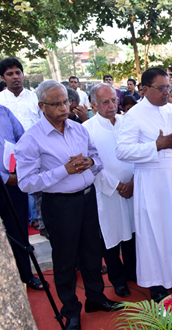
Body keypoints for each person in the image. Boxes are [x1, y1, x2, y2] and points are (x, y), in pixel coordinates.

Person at [15, 80, 121, 330]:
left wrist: (89, 164)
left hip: (87, 198)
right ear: (42, 106)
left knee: (93, 253)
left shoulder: (78, 129)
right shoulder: (31, 139)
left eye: (66, 101)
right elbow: (26, 183)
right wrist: (63, 171)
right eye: (56, 103)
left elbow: (97, 160)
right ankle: (70, 310)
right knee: (65, 260)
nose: (64, 107)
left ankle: (96, 298)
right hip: (59, 204)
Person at [116, 68, 172, 302]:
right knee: (157, 232)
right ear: (144, 89)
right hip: (154, 183)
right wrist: (156, 146)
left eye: (168, 87)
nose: (167, 92)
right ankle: (157, 284)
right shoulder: (134, 115)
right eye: (161, 88)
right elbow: (122, 151)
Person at [84, 83, 137, 298]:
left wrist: (133, 182)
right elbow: (91, 163)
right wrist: (116, 185)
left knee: (134, 233)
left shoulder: (128, 122)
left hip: (134, 187)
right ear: (93, 104)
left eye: (114, 100)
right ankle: (117, 279)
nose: (111, 105)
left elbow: (139, 152)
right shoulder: (87, 128)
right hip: (107, 191)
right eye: (105, 102)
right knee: (112, 236)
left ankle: (134, 271)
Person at [0, 105, 46, 291]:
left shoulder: (3, 111)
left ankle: (27, 276)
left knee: (18, 230)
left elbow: (22, 139)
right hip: (7, 179)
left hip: (13, 182)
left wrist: (20, 168)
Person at [0, 58, 45, 237]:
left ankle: (42, 223)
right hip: (8, 164)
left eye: (18, 72)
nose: (15, 77)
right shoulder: (1, 102)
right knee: (14, 210)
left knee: (39, 193)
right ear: (3, 77)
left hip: (35, 155)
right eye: (10, 74)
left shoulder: (37, 98)